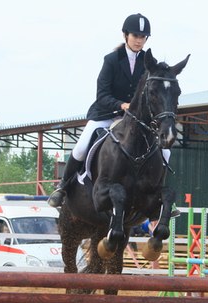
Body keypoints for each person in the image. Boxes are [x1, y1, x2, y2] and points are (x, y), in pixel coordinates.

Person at [49, 13, 171, 208]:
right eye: (135, 36)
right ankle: (62, 187)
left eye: (143, 37)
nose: (139, 40)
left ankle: (157, 195)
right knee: (81, 147)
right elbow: (102, 94)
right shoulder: (112, 60)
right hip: (106, 113)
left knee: (164, 151)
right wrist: (121, 105)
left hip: (135, 119)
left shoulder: (149, 62)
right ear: (125, 35)